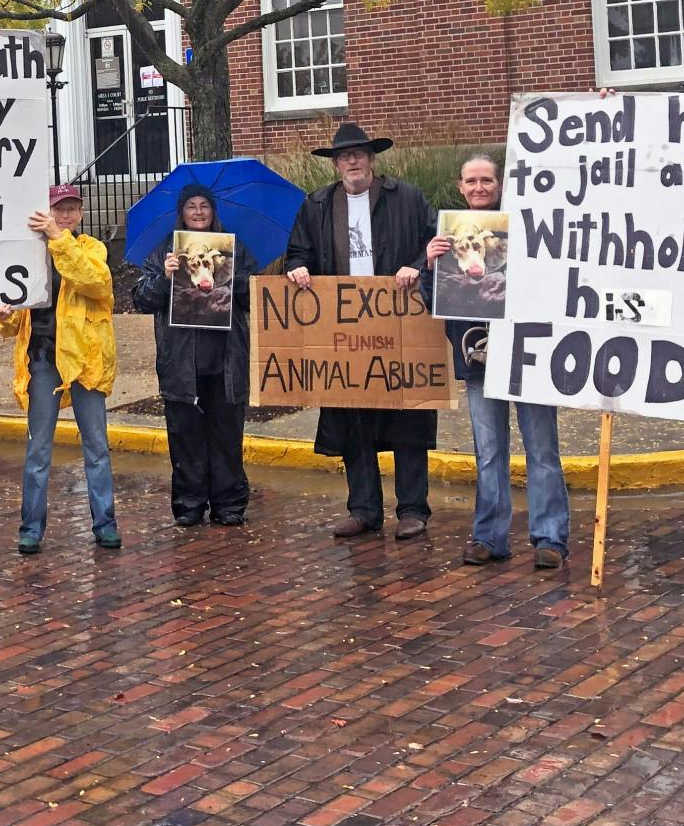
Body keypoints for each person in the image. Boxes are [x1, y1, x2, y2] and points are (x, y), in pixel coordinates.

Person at [285, 122, 438, 539]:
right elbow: (299, 252)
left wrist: (419, 265)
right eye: (344, 156)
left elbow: (435, 244)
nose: (352, 161)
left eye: (359, 154)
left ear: (372, 159)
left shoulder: (406, 199)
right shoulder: (316, 205)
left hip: (400, 323)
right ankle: (364, 508)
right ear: (335, 165)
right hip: (344, 328)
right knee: (353, 415)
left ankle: (412, 508)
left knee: (407, 416)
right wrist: (297, 268)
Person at [426, 152, 569, 569]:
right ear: (460, 187)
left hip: (530, 353)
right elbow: (433, 301)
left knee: (541, 448)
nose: (478, 188)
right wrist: (430, 264)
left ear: (500, 184)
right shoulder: (447, 236)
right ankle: (489, 536)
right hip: (478, 358)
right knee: (489, 451)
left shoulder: (527, 225)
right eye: (471, 181)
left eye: (486, 180)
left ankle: (550, 538)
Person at [0, 184, 120, 553]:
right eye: (57, 210)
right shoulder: (30, 256)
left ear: (80, 214)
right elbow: (17, 319)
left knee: (96, 446)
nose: (64, 217)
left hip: (86, 363)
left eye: (71, 209)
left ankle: (105, 522)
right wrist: (4, 316)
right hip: (44, 361)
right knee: (38, 449)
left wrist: (55, 239)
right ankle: (31, 526)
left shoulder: (92, 249)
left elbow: (95, 282)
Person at [132, 184, 256, 527]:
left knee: (226, 435)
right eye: (192, 206)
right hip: (181, 364)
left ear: (213, 211)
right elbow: (141, 299)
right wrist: (165, 278)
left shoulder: (234, 249)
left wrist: (232, 278)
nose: (199, 212)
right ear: (181, 213)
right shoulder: (163, 252)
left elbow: (254, 295)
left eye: (205, 206)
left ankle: (229, 504)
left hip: (226, 362)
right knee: (185, 436)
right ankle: (188, 504)